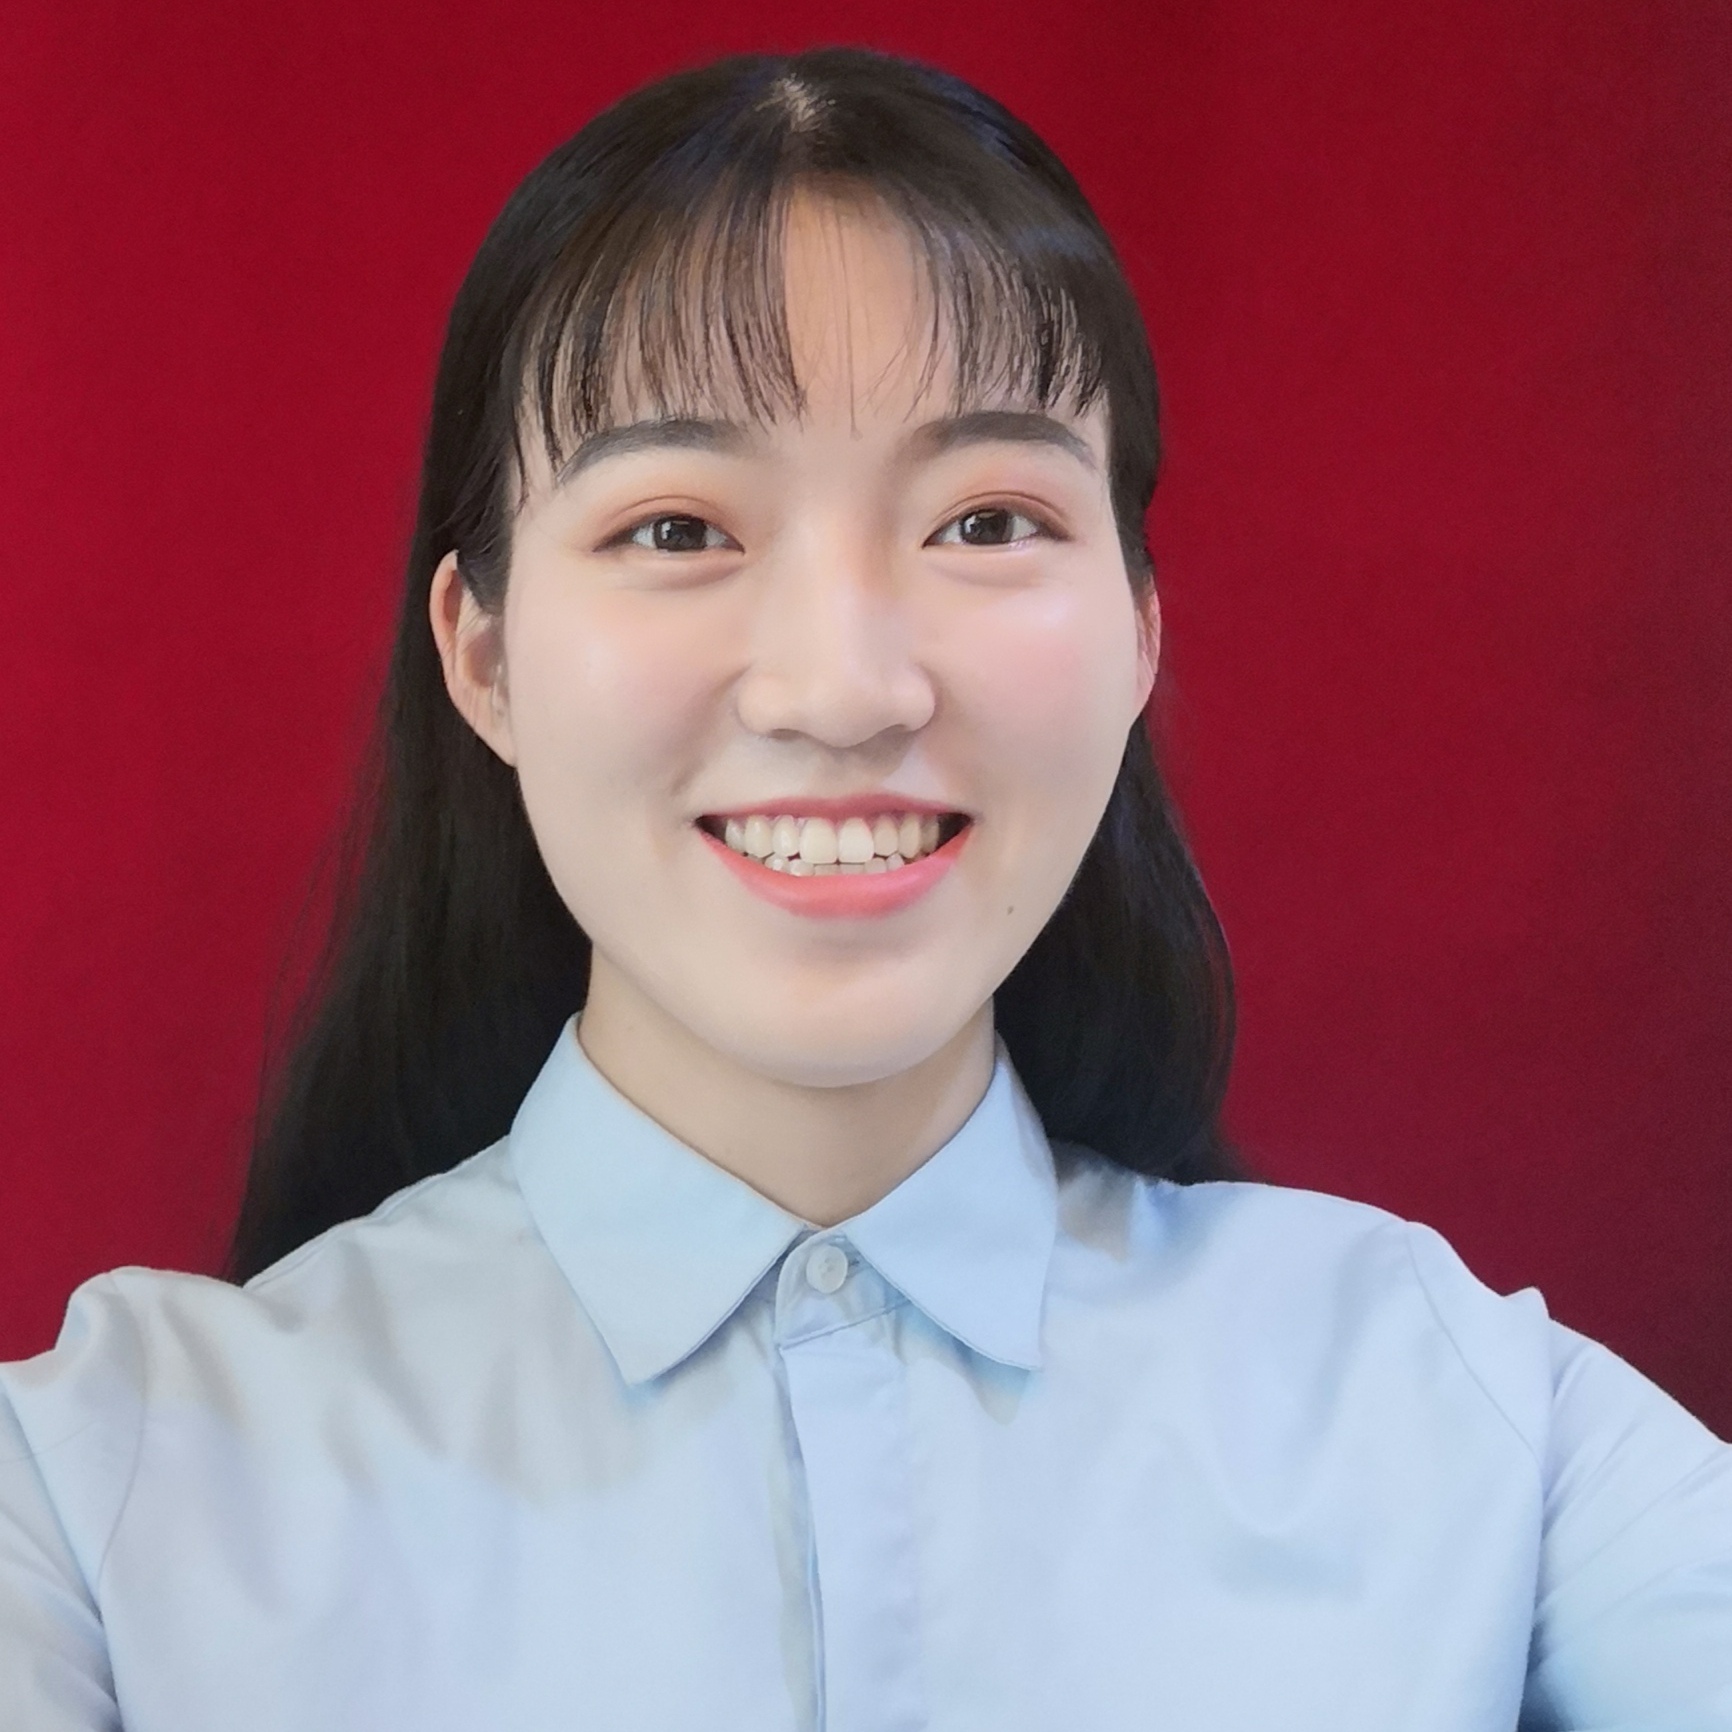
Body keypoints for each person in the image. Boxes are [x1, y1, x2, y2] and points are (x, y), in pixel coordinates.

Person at [2, 46, 1727, 1732]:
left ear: (1138, 633)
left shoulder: (1473, 1427)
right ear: (483, 654)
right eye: (677, 529)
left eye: (986, 522)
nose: (844, 690)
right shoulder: (100, 1505)